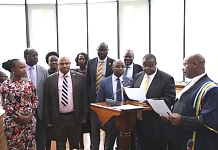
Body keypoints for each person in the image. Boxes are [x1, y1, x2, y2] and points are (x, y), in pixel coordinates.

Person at [165, 54, 218, 150]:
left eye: (185, 65)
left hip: (193, 141)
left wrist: (182, 120)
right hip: (176, 139)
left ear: (195, 64)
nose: (182, 68)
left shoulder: (211, 89)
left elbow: (208, 120)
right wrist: (170, 117)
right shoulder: (191, 83)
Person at [44, 56, 89, 150]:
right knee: (60, 145)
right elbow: (47, 101)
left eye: (67, 63)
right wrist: (48, 119)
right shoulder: (50, 79)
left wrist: (84, 115)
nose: (64, 66)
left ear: (70, 64)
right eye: (62, 64)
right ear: (58, 64)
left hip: (74, 117)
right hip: (58, 118)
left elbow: (84, 97)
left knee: (75, 144)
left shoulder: (79, 77)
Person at [133, 54, 176, 150]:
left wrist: (152, 101)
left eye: (150, 66)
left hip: (156, 124)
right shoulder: (138, 76)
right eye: (144, 66)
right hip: (139, 121)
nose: (147, 68)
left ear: (156, 64)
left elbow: (170, 99)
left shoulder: (166, 79)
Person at [0, 59, 38, 149]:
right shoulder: (5, 85)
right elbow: (5, 104)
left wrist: (30, 114)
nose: (24, 69)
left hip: (29, 122)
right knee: (15, 146)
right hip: (13, 123)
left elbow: (35, 99)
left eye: (24, 67)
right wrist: (20, 117)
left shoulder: (29, 82)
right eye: (21, 68)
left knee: (29, 146)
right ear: (13, 69)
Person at [96, 59, 133, 150]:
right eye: (117, 66)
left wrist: (127, 94)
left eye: (122, 67)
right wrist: (101, 121)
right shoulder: (104, 82)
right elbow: (99, 102)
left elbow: (133, 101)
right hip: (110, 119)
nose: (120, 69)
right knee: (108, 145)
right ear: (112, 68)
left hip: (125, 120)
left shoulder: (130, 81)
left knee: (123, 146)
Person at [86, 42, 114, 150]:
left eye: (104, 50)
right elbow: (88, 82)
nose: (102, 52)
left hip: (108, 100)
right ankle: (94, 147)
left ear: (107, 50)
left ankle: (108, 147)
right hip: (94, 99)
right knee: (94, 127)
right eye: (100, 50)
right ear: (97, 50)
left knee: (108, 125)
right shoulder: (91, 62)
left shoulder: (113, 62)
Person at [24, 48, 49, 150]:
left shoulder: (43, 70)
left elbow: (47, 92)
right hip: (24, 112)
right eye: (33, 55)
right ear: (26, 57)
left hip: (40, 111)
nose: (36, 58)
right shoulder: (19, 70)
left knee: (41, 137)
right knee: (26, 138)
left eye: (37, 55)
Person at [74, 52, 92, 149]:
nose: (82, 61)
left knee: (91, 127)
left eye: (83, 59)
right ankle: (81, 146)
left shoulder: (90, 71)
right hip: (78, 103)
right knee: (79, 128)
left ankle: (91, 145)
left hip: (89, 101)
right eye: (80, 59)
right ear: (77, 60)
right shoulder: (74, 72)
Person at [45, 51, 59, 150]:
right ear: (48, 62)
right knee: (48, 135)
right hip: (49, 108)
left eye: (56, 60)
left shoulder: (63, 73)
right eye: (51, 61)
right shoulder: (45, 74)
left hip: (61, 108)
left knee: (60, 136)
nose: (54, 62)